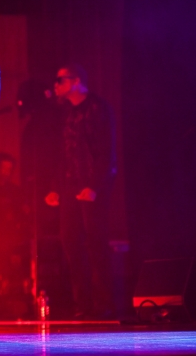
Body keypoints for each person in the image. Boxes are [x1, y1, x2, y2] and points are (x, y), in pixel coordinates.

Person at [45, 64, 116, 319]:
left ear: (76, 81)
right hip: (69, 187)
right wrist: (55, 188)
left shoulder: (98, 108)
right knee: (71, 242)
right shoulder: (65, 113)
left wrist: (95, 185)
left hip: (91, 186)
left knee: (96, 243)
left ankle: (104, 304)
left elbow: (105, 152)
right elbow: (62, 153)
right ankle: (83, 304)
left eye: (60, 80)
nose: (55, 85)